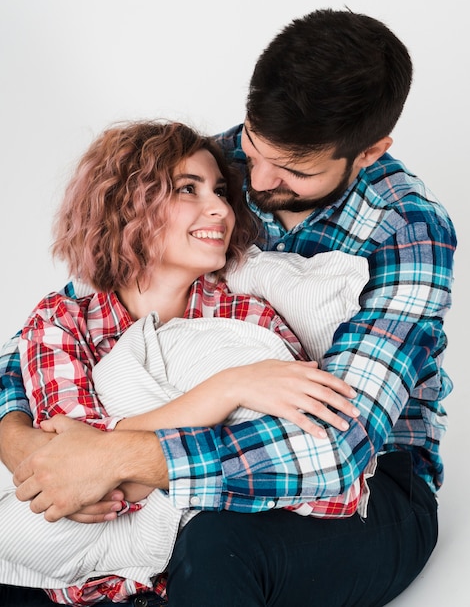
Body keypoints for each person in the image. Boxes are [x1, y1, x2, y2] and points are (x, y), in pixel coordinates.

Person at [0, 8, 457, 607]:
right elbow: (61, 327)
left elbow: (338, 448)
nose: (254, 179)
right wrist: (32, 451)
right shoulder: (208, 167)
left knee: (217, 549)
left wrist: (110, 458)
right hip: (172, 468)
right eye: (252, 141)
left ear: (368, 152)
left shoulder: (409, 228)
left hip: (368, 481)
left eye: (295, 169)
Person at [0, 119, 363, 605]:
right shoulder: (63, 319)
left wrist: (110, 459)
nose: (219, 208)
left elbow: (287, 460)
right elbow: (73, 469)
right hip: (83, 576)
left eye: (219, 191)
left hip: (198, 566)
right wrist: (224, 391)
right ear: (127, 206)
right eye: (187, 189)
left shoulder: (249, 313)